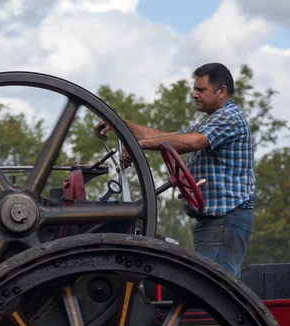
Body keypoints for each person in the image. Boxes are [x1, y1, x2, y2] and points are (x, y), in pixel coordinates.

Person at [94, 62, 254, 278]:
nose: (194, 94)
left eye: (201, 89)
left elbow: (191, 142)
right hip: (217, 222)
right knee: (209, 287)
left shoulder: (230, 117)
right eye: (195, 88)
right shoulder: (211, 121)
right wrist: (122, 125)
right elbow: (169, 138)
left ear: (222, 91)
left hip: (225, 221)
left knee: (213, 289)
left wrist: (139, 146)